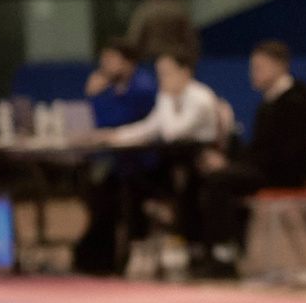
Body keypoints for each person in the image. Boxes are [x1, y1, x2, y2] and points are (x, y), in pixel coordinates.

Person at [79, 50, 225, 276]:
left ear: (184, 72)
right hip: (176, 167)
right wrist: (114, 135)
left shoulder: (200, 98)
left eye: (166, 74)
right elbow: (149, 128)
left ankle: (191, 249)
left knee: (149, 181)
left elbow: (171, 132)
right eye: (159, 74)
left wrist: (165, 97)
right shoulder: (170, 97)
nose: (162, 81)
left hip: (200, 169)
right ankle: (134, 248)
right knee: (129, 181)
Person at [191, 41, 306, 280]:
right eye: (253, 67)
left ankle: (224, 256)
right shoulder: (268, 101)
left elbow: (284, 154)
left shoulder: (296, 100)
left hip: (286, 174)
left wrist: (231, 166)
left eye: (260, 67)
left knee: (221, 180)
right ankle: (213, 250)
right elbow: (259, 148)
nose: (254, 73)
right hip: (265, 168)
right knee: (212, 176)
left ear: (280, 67)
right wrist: (231, 162)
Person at [82, 39, 157, 129]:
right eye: (103, 59)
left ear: (127, 63)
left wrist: (95, 96)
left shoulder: (144, 85)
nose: (104, 64)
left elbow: (116, 122)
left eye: (110, 59)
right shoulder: (113, 85)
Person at [125, 0, 198, 67]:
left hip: (151, 60)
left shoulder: (144, 10)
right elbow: (192, 39)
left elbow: (132, 41)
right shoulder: (179, 8)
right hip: (178, 60)